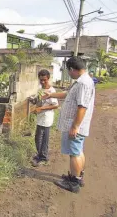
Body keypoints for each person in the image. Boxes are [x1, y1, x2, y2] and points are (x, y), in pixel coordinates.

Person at [42, 57, 95, 193]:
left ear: (72, 69)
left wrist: (75, 126)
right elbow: (67, 94)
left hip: (76, 126)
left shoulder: (83, 84)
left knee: (74, 153)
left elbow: (82, 106)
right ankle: (77, 176)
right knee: (78, 151)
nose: (69, 74)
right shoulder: (83, 81)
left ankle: (74, 183)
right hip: (78, 125)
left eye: (68, 71)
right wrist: (50, 95)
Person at [31, 69, 59, 167]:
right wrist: (34, 101)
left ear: (48, 78)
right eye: (41, 80)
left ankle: (43, 157)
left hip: (46, 118)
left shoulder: (51, 91)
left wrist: (41, 108)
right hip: (40, 118)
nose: (42, 82)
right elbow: (39, 101)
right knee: (38, 138)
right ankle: (40, 155)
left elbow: (55, 105)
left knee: (42, 139)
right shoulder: (40, 88)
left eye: (45, 80)